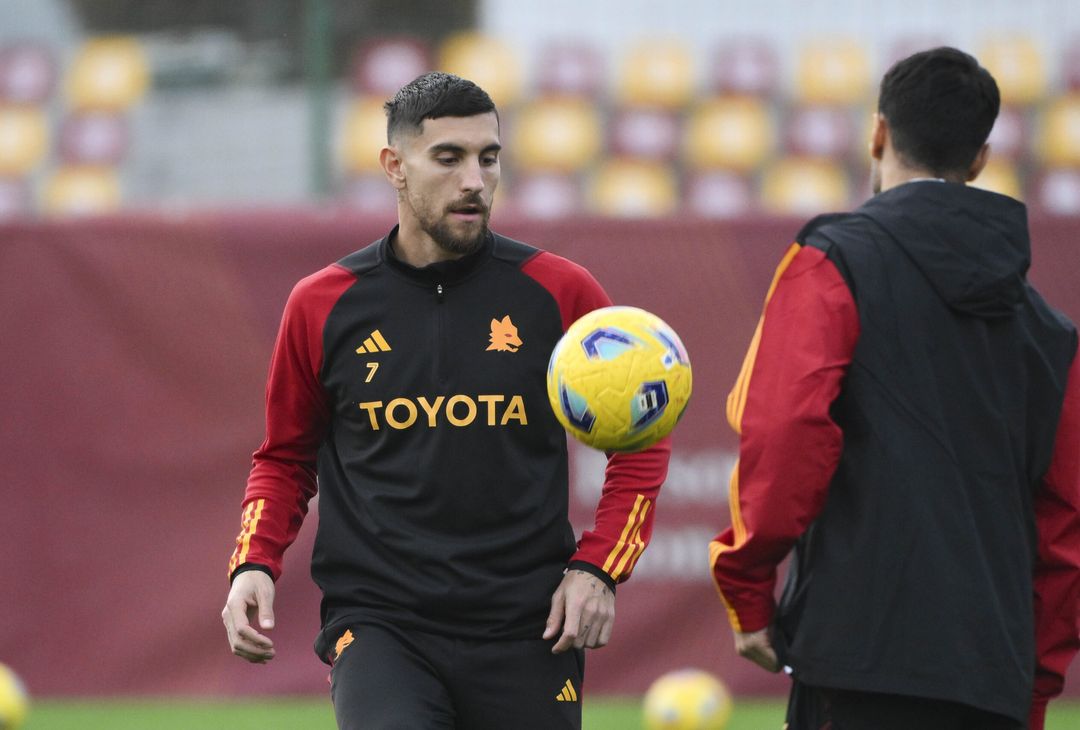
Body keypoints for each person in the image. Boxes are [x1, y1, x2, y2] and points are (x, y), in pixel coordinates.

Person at [220, 71, 670, 729]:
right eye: (449, 158)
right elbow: (286, 459)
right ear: (394, 167)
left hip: (528, 627)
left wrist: (599, 567)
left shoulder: (560, 292)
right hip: (380, 624)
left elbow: (641, 438)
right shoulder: (322, 304)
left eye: (489, 158)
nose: (475, 180)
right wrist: (253, 563)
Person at [709, 47, 1080, 730]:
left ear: (877, 134)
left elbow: (787, 430)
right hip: (989, 677)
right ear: (979, 159)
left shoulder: (831, 260)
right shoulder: (1052, 333)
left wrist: (747, 589)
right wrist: (1034, 684)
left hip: (857, 657)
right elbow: (1064, 529)